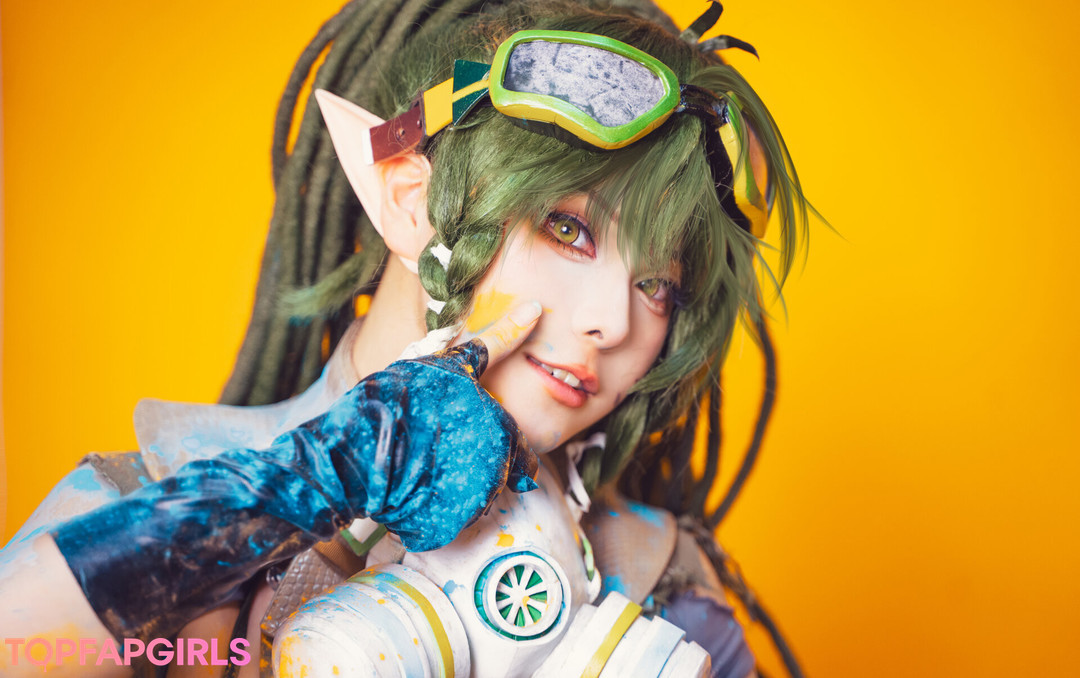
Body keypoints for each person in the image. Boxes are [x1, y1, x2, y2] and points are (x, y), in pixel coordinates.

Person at [0, 1, 811, 676]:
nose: (615, 321)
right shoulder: (140, 500)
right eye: (567, 227)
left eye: (657, 284)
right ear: (410, 203)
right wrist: (306, 481)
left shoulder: (655, 582)